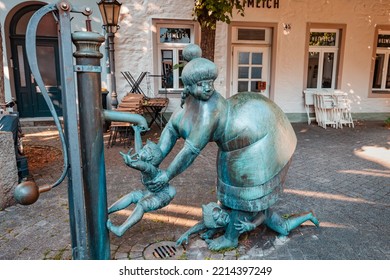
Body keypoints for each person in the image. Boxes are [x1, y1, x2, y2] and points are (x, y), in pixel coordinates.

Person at [147, 44, 302, 250]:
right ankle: (226, 220)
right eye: (201, 84)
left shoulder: (210, 109)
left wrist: (166, 176)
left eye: (210, 82)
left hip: (259, 138)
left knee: (240, 188)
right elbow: (172, 129)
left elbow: (190, 152)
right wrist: (154, 159)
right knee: (227, 181)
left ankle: (231, 237)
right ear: (189, 87)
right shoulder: (191, 104)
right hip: (238, 140)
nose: (208, 88)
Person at [106, 140, 176, 237]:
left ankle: (120, 230)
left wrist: (131, 164)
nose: (141, 151)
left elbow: (143, 166)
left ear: (150, 158)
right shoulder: (145, 159)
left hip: (164, 194)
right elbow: (139, 150)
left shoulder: (151, 169)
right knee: (133, 195)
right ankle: (107, 211)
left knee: (142, 205)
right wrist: (137, 132)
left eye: (145, 150)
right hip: (151, 191)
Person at [176, 202, 319, 249]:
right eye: (217, 219)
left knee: (285, 229)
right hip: (255, 216)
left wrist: (252, 225)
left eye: (218, 212)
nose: (221, 216)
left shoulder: (232, 211)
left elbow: (262, 215)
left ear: (219, 209)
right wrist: (186, 234)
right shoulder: (225, 219)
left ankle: (308, 215)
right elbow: (201, 224)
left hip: (264, 214)